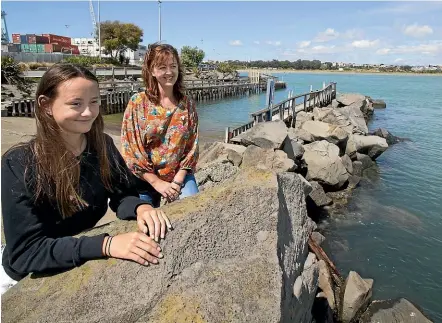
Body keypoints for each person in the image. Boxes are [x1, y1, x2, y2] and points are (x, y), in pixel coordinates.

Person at [1, 63, 171, 291]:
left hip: (74, 258)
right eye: (76, 104)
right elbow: (25, 253)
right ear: (46, 105)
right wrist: (106, 244)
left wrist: (141, 208)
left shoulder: (103, 146)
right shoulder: (19, 163)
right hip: (21, 278)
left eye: (94, 102)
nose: (89, 112)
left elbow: (122, 195)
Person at [121, 43, 199, 207]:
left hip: (179, 175)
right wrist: (156, 182)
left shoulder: (187, 104)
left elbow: (192, 146)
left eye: (173, 66)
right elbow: (131, 149)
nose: (169, 72)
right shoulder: (138, 103)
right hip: (145, 179)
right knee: (147, 226)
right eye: (162, 67)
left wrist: (178, 180)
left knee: (193, 209)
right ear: (152, 70)